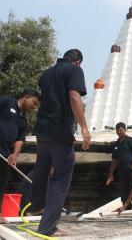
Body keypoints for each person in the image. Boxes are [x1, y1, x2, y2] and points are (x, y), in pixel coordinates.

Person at [30, 49, 91, 237]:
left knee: (42, 168)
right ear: (78, 62)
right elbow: (74, 96)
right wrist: (84, 128)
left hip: (42, 129)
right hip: (60, 130)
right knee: (61, 178)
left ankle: (37, 206)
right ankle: (48, 228)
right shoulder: (74, 70)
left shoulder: (46, 74)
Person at [0, 89, 40, 223]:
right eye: (34, 103)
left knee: (1, 184)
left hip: (5, 156)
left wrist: (15, 154)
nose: (34, 107)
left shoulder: (23, 120)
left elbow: (19, 139)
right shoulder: (6, 102)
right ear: (27, 96)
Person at [106, 122, 132, 212]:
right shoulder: (116, 144)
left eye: (121, 130)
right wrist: (111, 174)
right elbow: (115, 160)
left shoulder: (131, 140)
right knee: (124, 191)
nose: (119, 132)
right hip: (121, 172)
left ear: (125, 130)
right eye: (117, 130)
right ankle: (126, 209)